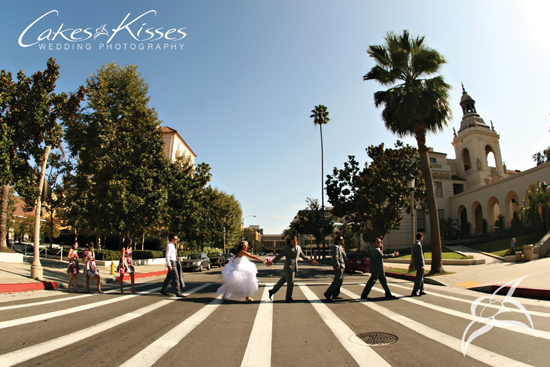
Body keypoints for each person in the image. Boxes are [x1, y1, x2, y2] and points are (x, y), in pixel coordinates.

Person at [268, 235, 318, 302]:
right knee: (290, 283)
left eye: (294, 242)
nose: (293, 243)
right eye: (292, 242)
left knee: (283, 280)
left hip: (294, 267)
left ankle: (272, 291)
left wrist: (311, 261)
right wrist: (273, 262)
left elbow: (303, 256)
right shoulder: (287, 248)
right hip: (289, 268)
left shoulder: (299, 248)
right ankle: (288, 298)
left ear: (297, 241)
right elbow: (280, 255)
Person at [324, 235, 346, 301]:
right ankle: (328, 294)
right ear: (338, 241)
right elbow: (335, 257)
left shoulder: (341, 247)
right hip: (339, 267)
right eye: (341, 240)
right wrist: (337, 265)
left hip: (342, 266)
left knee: (340, 282)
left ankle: (335, 295)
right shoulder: (336, 247)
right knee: (336, 281)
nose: (343, 241)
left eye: (343, 239)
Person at [411, 233, 426, 297]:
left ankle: (421, 290)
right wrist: (422, 265)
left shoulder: (415, 244)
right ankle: (415, 291)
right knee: (419, 279)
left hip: (418, 264)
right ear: (421, 237)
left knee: (421, 278)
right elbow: (420, 257)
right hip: (419, 265)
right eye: (422, 237)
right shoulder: (418, 245)